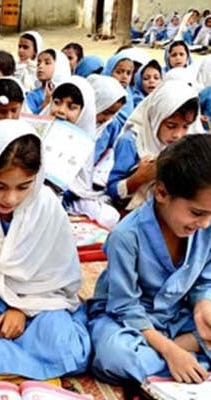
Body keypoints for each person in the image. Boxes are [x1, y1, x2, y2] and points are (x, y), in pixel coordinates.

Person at [0, 119, 90, 379]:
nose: (10, 199)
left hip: (42, 304)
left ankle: (6, 364)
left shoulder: (46, 205)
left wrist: (22, 309)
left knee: (68, 349)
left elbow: (60, 278)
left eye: (23, 187)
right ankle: (21, 363)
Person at [88, 134, 211, 385]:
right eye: (197, 212)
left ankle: (181, 355)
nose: (205, 223)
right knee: (115, 356)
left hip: (176, 317)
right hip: (127, 322)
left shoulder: (206, 228)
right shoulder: (126, 236)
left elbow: (204, 281)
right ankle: (185, 358)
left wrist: (203, 307)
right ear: (162, 193)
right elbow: (124, 307)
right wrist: (170, 350)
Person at [106, 80, 200, 211]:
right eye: (171, 126)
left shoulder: (186, 145)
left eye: (185, 127)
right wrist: (139, 178)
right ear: (155, 118)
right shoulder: (132, 142)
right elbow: (111, 190)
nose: (178, 135)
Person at [46, 76, 120, 229]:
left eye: (71, 107)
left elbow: (81, 184)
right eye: (57, 102)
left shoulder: (84, 139)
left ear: (84, 112)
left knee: (110, 216)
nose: (61, 111)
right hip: (38, 195)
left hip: (69, 198)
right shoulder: (39, 129)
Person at [25, 49, 70, 114]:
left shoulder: (69, 93)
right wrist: (46, 102)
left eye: (47, 63)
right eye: (38, 64)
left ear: (59, 67)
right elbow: (30, 118)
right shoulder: (32, 95)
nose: (40, 66)